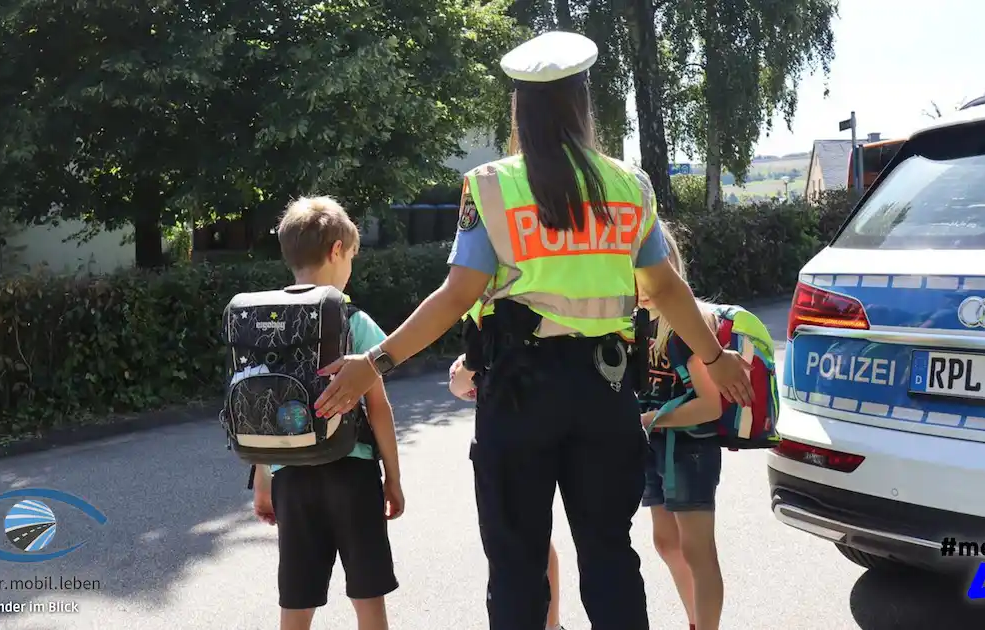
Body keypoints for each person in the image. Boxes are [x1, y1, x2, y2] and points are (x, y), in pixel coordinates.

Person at [311, 30, 754, 630]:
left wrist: (376, 362)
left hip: (517, 394)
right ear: (582, 105)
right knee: (610, 557)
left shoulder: (490, 186)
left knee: (516, 565)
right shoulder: (630, 187)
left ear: (519, 109)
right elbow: (668, 289)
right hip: (605, 392)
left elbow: (456, 297)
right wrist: (717, 356)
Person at [251, 196, 406, 630]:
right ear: (337, 250)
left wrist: (263, 480)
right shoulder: (351, 320)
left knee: (296, 603)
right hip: (351, 472)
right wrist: (392, 478)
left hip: (291, 476)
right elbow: (378, 407)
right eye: (351, 256)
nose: (351, 266)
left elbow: (261, 410)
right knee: (367, 597)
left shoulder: (264, 323)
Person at [636, 222, 724, 630]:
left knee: (697, 550)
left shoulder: (691, 323)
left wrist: (654, 418)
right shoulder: (638, 323)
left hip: (689, 449)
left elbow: (710, 406)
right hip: (655, 445)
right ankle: (694, 620)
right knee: (666, 542)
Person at [449, 353, 567, 630]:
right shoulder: (488, 336)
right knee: (525, 544)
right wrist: (472, 362)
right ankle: (552, 623)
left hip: (535, 438)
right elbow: (456, 385)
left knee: (532, 542)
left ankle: (552, 624)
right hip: (503, 443)